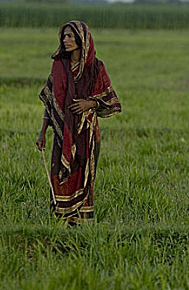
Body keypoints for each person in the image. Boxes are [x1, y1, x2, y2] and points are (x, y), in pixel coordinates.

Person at [36, 21, 121, 225]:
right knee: (60, 172)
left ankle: (82, 221)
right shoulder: (58, 66)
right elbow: (51, 102)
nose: (65, 40)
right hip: (62, 131)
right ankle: (62, 220)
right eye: (63, 36)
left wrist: (89, 103)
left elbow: (111, 99)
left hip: (87, 131)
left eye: (70, 36)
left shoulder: (96, 67)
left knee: (84, 173)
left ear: (82, 39)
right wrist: (42, 132)